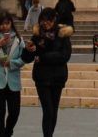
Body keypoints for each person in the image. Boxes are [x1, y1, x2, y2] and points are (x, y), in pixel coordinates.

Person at [21, 8, 72, 137]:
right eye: (42, 20)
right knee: (47, 110)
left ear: (54, 20)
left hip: (58, 77)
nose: (45, 23)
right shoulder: (37, 35)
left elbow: (64, 55)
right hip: (42, 78)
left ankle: (49, 134)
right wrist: (29, 50)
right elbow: (26, 58)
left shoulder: (62, 34)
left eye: (48, 20)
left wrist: (43, 57)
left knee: (54, 110)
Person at [0, 11, 26, 137]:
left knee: (14, 112)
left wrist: (11, 63)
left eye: (7, 23)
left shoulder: (18, 40)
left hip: (13, 82)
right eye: (1, 24)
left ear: (11, 24)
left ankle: (8, 132)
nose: (4, 27)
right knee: (0, 113)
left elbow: (23, 59)